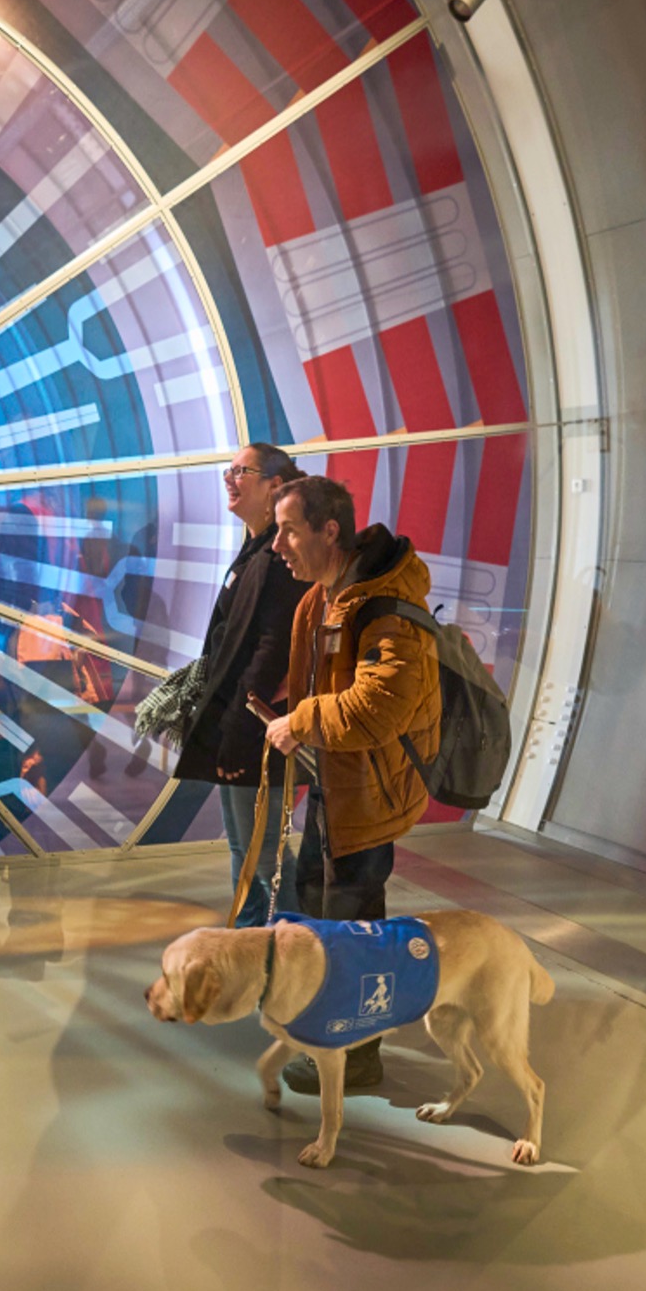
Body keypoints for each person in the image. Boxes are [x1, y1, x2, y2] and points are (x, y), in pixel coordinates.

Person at [264, 475, 441, 1093]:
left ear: (328, 529)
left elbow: (376, 709)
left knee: (354, 929)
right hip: (335, 790)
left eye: (288, 529)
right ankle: (331, 1036)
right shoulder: (325, 597)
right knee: (323, 911)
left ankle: (357, 1056)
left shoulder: (383, 606)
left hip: (367, 797)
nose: (276, 543)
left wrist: (300, 721)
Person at [174, 445, 309, 925]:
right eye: (228, 471)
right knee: (252, 847)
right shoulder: (256, 550)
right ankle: (279, 944)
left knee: (259, 852)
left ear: (276, 485)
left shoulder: (277, 557)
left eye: (242, 471)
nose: (230, 479)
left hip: (257, 731)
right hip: (246, 726)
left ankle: (270, 951)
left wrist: (238, 732)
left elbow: (270, 651)